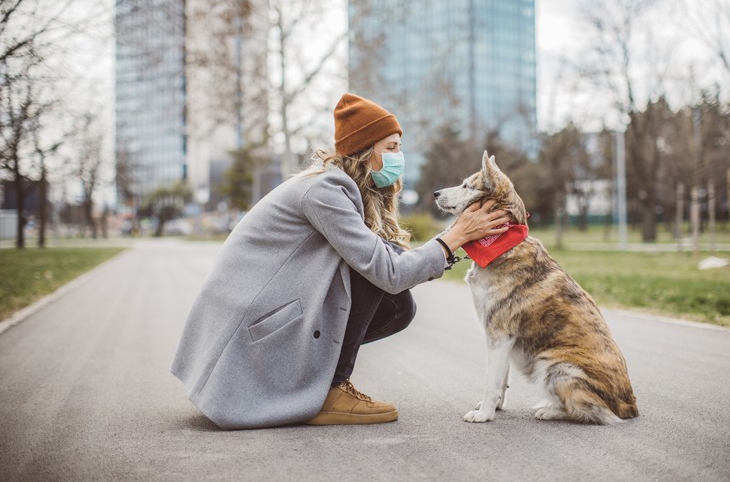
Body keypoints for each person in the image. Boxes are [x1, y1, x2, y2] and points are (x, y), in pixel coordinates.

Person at [171, 93, 510, 429]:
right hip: (245, 337)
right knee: (371, 273)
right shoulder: (325, 190)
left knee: (397, 306)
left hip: (261, 323)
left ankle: (316, 381)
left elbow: (393, 264)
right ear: (365, 151)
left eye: (399, 148)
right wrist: (454, 237)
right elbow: (386, 271)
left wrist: (456, 242)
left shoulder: (341, 189)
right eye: (390, 148)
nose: (399, 157)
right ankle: (330, 389)